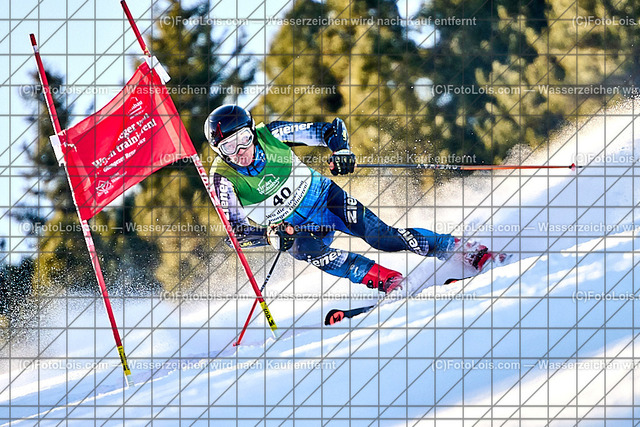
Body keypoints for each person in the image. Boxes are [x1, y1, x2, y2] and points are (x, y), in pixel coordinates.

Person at [205, 104, 494, 294]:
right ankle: (387, 280)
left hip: (325, 199)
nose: (240, 151)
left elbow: (329, 130)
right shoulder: (223, 178)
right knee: (309, 250)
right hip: (295, 230)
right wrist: (269, 236)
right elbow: (236, 234)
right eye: (229, 146)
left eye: (244, 139)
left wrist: (340, 151)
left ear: (252, 131)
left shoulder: (272, 134)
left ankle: (459, 249)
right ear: (219, 151)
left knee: (383, 238)